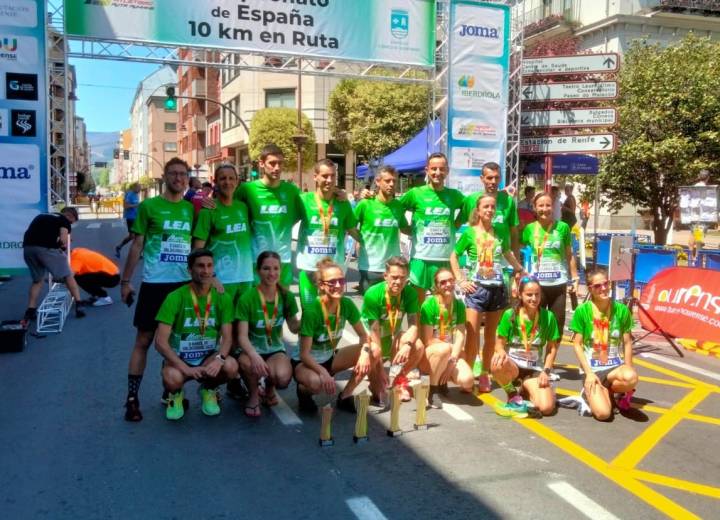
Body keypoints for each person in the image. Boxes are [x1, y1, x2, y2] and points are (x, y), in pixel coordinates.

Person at [120, 157, 195, 422]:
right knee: (143, 341)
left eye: (183, 174)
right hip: (154, 284)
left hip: (183, 286)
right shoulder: (149, 206)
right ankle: (132, 399)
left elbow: (196, 246)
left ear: (187, 178)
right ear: (165, 177)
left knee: (176, 344)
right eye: (173, 174)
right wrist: (126, 281)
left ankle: (171, 392)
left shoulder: (190, 209)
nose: (178, 178)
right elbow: (137, 245)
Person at [450, 194, 525, 393]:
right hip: (476, 289)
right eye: (486, 207)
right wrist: (460, 280)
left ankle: (484, 373)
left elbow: (507, 252)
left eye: (492, 207)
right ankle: (468, 370)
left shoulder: (500, 230)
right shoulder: (469, 233)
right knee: (472, 335)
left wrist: (519, 268)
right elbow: (454, 256)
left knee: (491, 336)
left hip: (497, 288)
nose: (490, 210)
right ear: (478, 210)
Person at [154, 249, 239, 420]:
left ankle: (208, 389)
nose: (206, 271)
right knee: (172, 377)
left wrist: (219, 359)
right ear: (190, 270)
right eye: (200, 266)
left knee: (230, 366)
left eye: (209, 266)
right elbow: (160, 342)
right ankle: (175, 394)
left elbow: (228, 338)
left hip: (208, 357)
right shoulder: (175, 297)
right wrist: (185, 368)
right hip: (181, 359)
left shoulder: (223, 298)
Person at [293, 258, 378, 414]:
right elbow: (304, 355)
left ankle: (345, 396)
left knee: (373, 351)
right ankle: (303, 392)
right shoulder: (312, 311)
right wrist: (324, 373)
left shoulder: (346, 304)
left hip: (329, 358)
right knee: (315, 383)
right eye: (332, 282)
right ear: (321, 285)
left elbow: (364, 335)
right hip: (306, 363)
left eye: (341, 280)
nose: (338, 285)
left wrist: (365, 354)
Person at [235, 251, 300, 417]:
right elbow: (241, 336)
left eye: (276, 268)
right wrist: (254, 355)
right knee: (250, 365)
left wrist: (310, 316)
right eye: (266, 268)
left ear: (280, 270)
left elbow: (294, 328)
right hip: (250, 350)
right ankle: (254, 396)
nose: (272, 273)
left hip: (275, 350)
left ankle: (269, 389)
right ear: (258, 271)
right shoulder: (247, 298)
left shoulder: (286, 296)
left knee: (283, 377)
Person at [569, 268, 638, 420]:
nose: (604, 288)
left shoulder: (621, 310)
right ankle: (590, 394)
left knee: (631, 377)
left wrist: (628, 367)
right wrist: (588, 373)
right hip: (593, 369)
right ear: (590, 289)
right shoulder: (583, 311)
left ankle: (613, 392)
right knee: (603, 414)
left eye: (606, 283)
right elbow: (577, 344)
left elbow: (627, 343)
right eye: (597, 286)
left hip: (614, 367)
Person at [234, 144, 303, 288]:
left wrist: (337, 193)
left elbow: (303, 212)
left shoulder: (291, 191)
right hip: (256, 260)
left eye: (280, 163)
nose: (277, 168)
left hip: (283, 259)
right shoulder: (247, 189)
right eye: (272, 163)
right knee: (258, 305)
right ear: (261, 163)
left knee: (282, 305)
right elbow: (229, 209)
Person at [400, 153, 465, 305]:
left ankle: (439, 330)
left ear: (447, 171)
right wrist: (405, 227)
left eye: (441, 169)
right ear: (427, 170)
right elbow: (395, 208)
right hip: (421, 258)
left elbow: (470, 207)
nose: (437, 173)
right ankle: (419, 330)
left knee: (443, 305)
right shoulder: (416, 193)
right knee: (418, 306)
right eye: (434, 169)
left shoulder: (454, 195)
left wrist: (455, 225)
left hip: (445, 259)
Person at [491, 276, 560, 416]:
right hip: (513, 366)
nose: (534, 299)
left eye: (537, 294)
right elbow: (499, 344)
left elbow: (552, 348)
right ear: (520, 295)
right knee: (496, 362)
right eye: (529, 295)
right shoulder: (510, 315)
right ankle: (512, 394)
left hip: (534, 367)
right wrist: (500, 352)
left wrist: (546, 371)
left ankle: (526, 390)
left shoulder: (548, 317)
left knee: (546, 408)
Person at [297, 159, 360, 308]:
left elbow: (352, 231)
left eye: (333, 176)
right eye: (325, 176)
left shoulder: (343, 204)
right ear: (315, 177)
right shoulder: (303, 200)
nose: (329, 180)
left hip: (333, 272)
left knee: (331, 317)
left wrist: (370, 243)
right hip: (309, 268)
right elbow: (284, 223)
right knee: (309, 318)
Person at [361, 256, 422, 403]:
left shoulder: (410, 293)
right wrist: (381, 369)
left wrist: (407, 345)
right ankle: (374, 379)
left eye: (402, 278)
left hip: (392, 338)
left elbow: (414, 324)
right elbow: (373, 331)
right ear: (385, 276)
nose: (398, 282)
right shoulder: (373, 294)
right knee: (380, 396)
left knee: (418, 346)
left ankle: (400, 380)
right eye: (394, 277)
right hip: (372, 345)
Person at [192, 164, 253, 307]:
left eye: (232, 178)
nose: (228, 182)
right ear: (215, 181)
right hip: (221, 281)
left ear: (237, 181)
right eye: (223, 178)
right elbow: (197, 250)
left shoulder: (243, 207)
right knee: (222, 328)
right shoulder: (208, 210)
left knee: (243, 327)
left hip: (246, 279)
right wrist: (211, 277)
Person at [522, 192, 579, 334]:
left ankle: (550, 356)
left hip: (558, 284)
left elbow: (569, 254)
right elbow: (518, 250)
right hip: (537, 286)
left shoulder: (563, 227)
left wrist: (575, 278)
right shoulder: (529, 229)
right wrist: (521, 272)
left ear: (553, 207)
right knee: (534, 327)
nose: (544, 209)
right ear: (534, 208)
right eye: (540, 205)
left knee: (556, 330)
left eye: (548, 205)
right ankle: (535, 355)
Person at [419, 268, 474, 409]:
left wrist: (454, 357)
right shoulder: (429, 305)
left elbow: (461, 333)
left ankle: (442, 380)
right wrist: (452, 349)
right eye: (443, 282)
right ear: (436, 286)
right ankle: (433, 389)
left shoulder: (459, 305)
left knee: (467, 381)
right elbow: (428, 340)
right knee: (443, 348)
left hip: (449, 355)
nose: (448, 284)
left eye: (450, 280)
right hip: (432, 353)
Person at [22, 207, 85, 321]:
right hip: (46, 249)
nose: (70, 223)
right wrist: (63, 246)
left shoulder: (42, 215)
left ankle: (30, 310)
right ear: (69, 216)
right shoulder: (63, 220)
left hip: (28, 249)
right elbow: (63, 238)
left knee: (38, 280)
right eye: (72, 221)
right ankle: (79, 304)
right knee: (68, 275)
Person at [354, 165, 410, 294]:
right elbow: (349, 225)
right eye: (387, 181)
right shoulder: (365, 204)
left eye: (394, 181)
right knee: (371, 311)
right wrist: (361, 240)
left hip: (392, 268)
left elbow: (405, 229)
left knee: (392, 310)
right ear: (378, 182)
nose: (391, 184)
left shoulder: (397, 206)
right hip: (370, 267)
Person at [688, 169, 712, 263]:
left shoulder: (694, 187)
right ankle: (696, 261)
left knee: (692, 238)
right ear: (708, 177)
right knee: (698, 241)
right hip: (701, 217)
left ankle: (691, 259)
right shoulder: (706, 188)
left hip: (693, 216)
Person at [115, 182, 141, 258]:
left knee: (137, 235)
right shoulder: (130, 194)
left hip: (136, 217)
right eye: (139, 188)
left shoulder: (136, 194)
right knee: (133, 236)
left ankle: (137, 253)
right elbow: (126, 206)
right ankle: (120, 247)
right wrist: (136, 205)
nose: (140, 189)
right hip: (130, 217)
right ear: (134, 187)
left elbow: (136, 206)